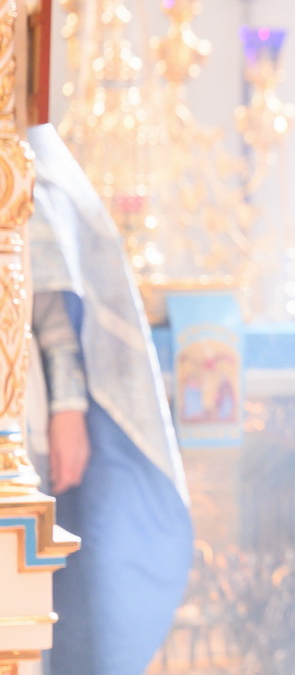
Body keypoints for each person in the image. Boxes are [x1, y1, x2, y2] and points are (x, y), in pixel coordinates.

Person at [24, 123, 193, 675]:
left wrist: (68, 408)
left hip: (16, 419)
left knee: (24, 595)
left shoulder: (20, 154)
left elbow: (51, 310)